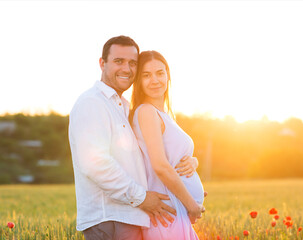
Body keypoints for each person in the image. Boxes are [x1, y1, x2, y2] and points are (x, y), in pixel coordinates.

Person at [68, 36, 199, 240]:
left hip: (132, 217)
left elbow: (147, 159)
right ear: (102, 63)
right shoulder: (92, 103)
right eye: (119, 61)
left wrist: (190, 167)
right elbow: (95, 164)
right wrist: (143, 198)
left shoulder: (124, 107)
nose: (126, 69)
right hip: (109, 220)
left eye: (132, 63)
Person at [129, 50, 205, 240]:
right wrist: (192, 206)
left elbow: (172, 157)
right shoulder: (146, 111)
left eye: (160, 73)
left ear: (168, 75)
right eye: (146, 75)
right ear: (138, 81)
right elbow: (160, 166)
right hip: (167, 214)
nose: (155, 80)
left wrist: (193, 162)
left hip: (176, 213)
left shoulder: (165, 115)